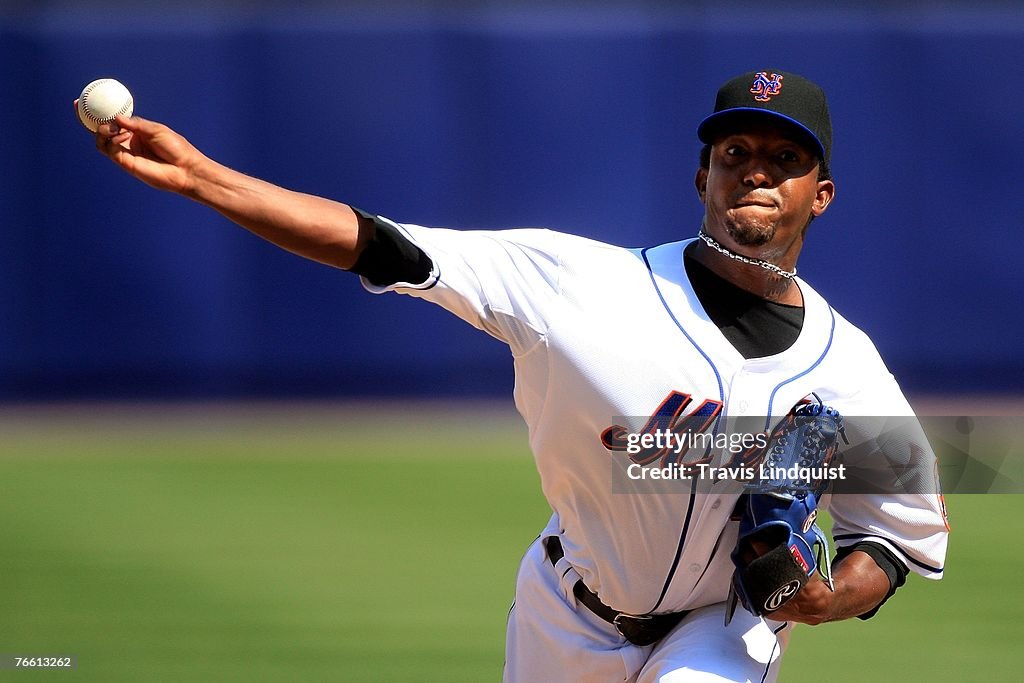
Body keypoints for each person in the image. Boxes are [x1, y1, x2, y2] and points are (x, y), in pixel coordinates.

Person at [83, 69, 949, 682]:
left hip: (720, 630)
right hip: (563, 610)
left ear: (820, 194)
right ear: (702, 176)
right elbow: (376, 240)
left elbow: (898, 532)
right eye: (735, 152)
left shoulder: (849, 369)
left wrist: (826, 599)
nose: (755, 169)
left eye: (782, 159)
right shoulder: (576, 283)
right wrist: (202, 178)